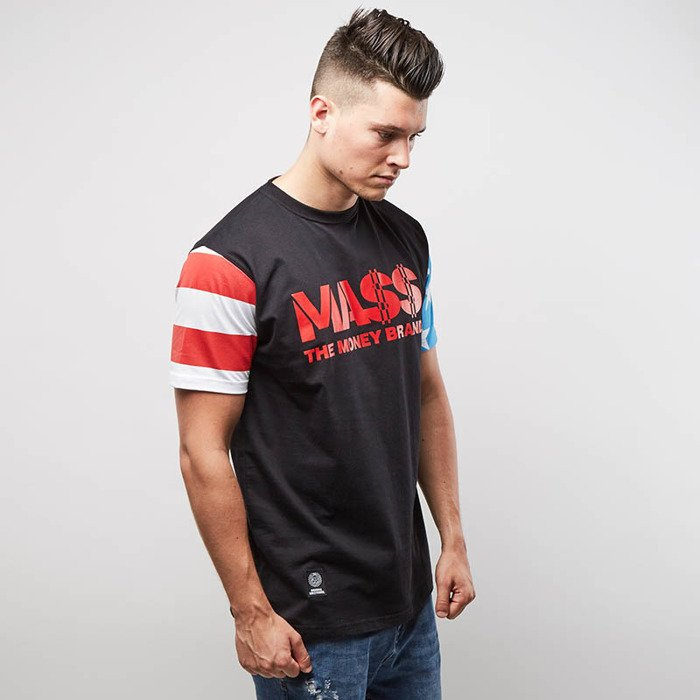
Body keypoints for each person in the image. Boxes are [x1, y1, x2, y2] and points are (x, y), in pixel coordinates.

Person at [169, 7, 475, 699]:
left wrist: (451, 537)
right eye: (385, 134)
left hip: (408, 608)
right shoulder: (226, 263)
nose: (403, 158)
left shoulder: (407, 239)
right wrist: (249, 611)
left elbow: (426, 390)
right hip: (311, 623)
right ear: (321, 113)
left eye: (414, 137)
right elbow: (201, 452)